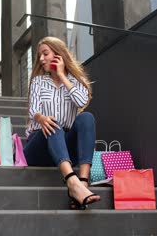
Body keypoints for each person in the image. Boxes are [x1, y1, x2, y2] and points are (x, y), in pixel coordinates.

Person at [24, 36, 101, 209]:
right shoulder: (38, 82)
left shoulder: (75, 81)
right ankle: (72, 183)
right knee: (53, 123)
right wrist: (42, 118)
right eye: (39, 56)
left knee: (86, 118)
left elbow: (82, 102)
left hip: (64, 147)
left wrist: (61, 75)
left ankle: (83, 184)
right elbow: (32, 111)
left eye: (45, 54)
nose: (41, 59)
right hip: (39, 145)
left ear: (58, 55)